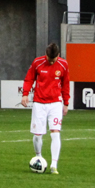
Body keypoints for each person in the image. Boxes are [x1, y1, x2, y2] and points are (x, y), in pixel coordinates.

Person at [21, 42, 69, 175]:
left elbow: (65, 84)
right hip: (39, 103)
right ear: (45, 55)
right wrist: (25, 94)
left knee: (55, 133)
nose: (51, 62)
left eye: (54, 59)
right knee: (37, 136)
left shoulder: (64, 65)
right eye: (49, 59)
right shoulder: (37, 63)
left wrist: (66, 103)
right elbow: (29, 79)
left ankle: (54, 165)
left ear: (58, 55)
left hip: (55, 104)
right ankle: (39, 157)